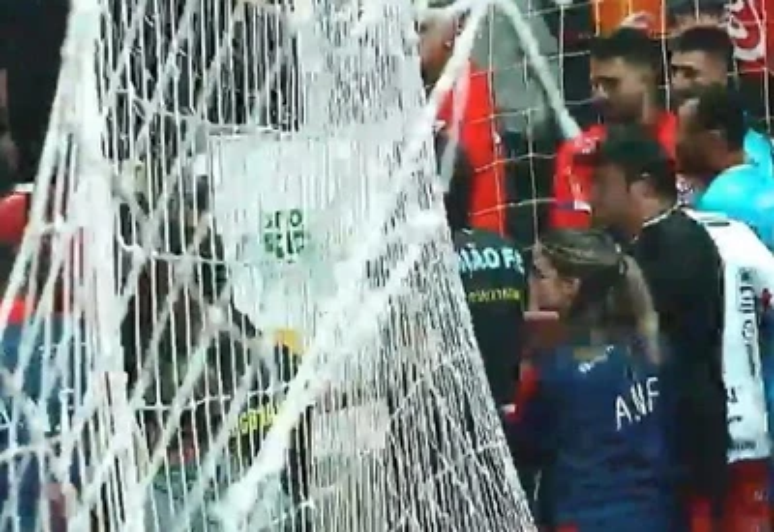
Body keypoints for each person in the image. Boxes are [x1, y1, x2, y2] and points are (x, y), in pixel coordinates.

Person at [588, 126, 736, 531]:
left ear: (642, 186)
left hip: (684, 445)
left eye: (602, 183)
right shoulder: (651, 242)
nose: (592, 196)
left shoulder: (676, 245)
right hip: (664, 444)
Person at [510, 228, 675, 531]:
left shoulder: (558, 369)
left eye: (539, 274)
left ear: (570, 286)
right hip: (655, 516)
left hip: (587, 518)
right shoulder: (650, 350)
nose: (530, 282)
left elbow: (524, 444)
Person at [551, 27, 676, 230]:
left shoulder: (684, 139)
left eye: (611, 83)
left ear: (649, 74)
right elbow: (572, 234)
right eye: (595, 85)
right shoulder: (578, 153)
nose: (600, 95)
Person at [419, 10, 508, 235]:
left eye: (421, 30)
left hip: (471, 238)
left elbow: (462, 179)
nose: (410, 39)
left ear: (453, 31)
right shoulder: (415, 83)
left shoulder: (469, 92)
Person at [676, 84, 774, 249]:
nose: (678, 141)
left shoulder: (718, 201)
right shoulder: (764, 169)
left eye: (685, 132)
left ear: (713, 140)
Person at [670, 26, 774, 182]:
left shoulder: (754, 150)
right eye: (674, 72)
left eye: (690, 73)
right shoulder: (658, 134)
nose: (678, 84)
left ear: (727, 76)